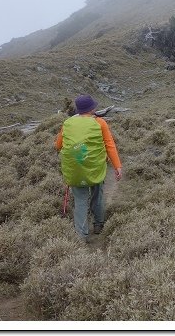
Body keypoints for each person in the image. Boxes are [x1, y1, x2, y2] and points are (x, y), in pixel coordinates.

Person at [54, 94, 122, 241]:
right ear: (91, 109)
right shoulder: (100, 123)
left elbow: (58, 145)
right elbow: (110, 145)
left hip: (75, 169)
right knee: (97, 196)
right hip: (95, 167)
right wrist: (117, 166)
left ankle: (81, 235)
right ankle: (98, 224)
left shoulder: (68, 123)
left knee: (80, 201)